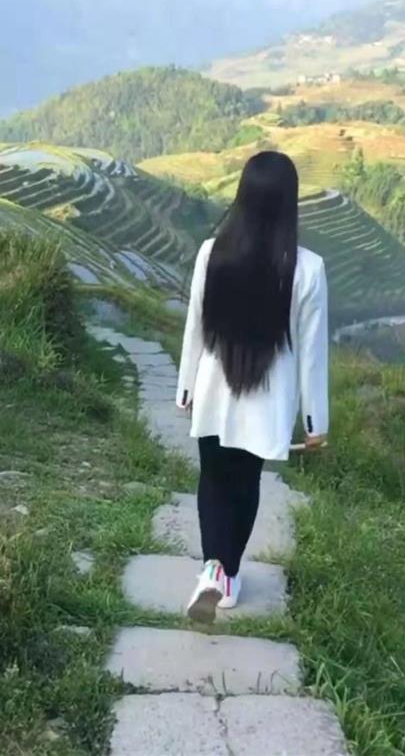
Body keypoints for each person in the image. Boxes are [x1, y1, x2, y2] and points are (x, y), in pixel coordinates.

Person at [176, 151, 329, 622]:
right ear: (289, 202)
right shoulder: (307, 268)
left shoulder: (212, 252)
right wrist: (315, 422)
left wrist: (185, 388)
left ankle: (212, 569)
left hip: (213, 389)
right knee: (244, 484)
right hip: (267, 401)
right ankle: (228, 575)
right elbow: (312, 353)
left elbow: (196, 326)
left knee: (212, 478)